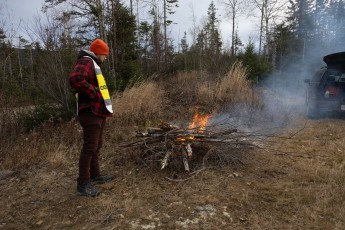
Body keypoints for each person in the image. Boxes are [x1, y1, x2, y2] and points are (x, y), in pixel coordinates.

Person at [69, 38, 114, 197]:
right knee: (89, 147)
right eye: (105, 55)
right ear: (99, 52)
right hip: (91, 113)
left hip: (97, 113)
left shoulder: (92, 64)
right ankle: (83, 184)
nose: (106, 58)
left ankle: (95, 175)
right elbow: (75, 78)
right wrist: (94, 92)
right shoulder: (86, 61)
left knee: (96, 145)